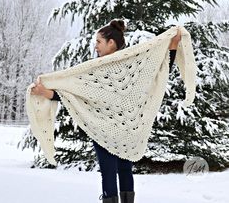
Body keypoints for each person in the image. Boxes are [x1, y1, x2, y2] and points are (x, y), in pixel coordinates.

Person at [31, 19, 181, 203]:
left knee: (110, 174)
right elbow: (72, 92)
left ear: (111, 43)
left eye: (98, 42)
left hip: (108, 131)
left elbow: (158, 70)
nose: (96, 47)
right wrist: (45, 92)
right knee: (124, 171)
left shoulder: (116, 66)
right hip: (117, 131)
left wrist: (172, 46)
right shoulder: (102, 69)